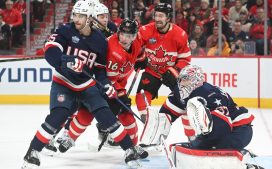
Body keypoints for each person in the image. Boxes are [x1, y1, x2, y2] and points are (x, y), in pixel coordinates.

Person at [21, 1, 141, 168]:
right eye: (75, 15)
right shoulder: (65, 30)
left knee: (105, 114)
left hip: (86, 85)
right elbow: (50, 52)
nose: (76, 19)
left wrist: (106, 84)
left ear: (90, 18)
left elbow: (99, 69)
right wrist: (66, 61)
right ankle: (32, 153)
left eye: (81, 16)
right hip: (63, 82)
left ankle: (130, 150)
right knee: (59, 115)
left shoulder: (100, 40)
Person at [56, 19, 148, 159]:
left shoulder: (136, 42)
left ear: (135, 36)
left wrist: (142, 58)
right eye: (123, 34)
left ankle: (133, 146)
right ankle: (70, 138)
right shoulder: (114, 50)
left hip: (115, 85)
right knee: (86, 114)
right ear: (118, 33)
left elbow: (139, 51)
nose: (125, 39)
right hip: (98, 84)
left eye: (129, 36)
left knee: (127, 116)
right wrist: (121, 94)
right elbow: (108, 79)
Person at [134, 3, 191, 146]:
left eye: (161, 16)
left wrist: (175, 71)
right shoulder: (145, 30)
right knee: (141, 96)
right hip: (152, 70)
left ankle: (193, 137)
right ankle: (151, 131)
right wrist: (140, 58)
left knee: (186, 102)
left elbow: (185, 58)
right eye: (156, 15)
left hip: (171, 72)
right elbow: (133, 47)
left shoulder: (180, 34)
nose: (157, 19)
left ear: (168, 18)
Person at [159, 65, 254, 150]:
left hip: (239, 131)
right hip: (236, 131)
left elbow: (222, 125)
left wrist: (202, 144)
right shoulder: (198, 91)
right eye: (181, 80)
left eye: (185, 79)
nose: (181, 84)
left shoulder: (206, 92)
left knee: (195, 105)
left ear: (195, 80)